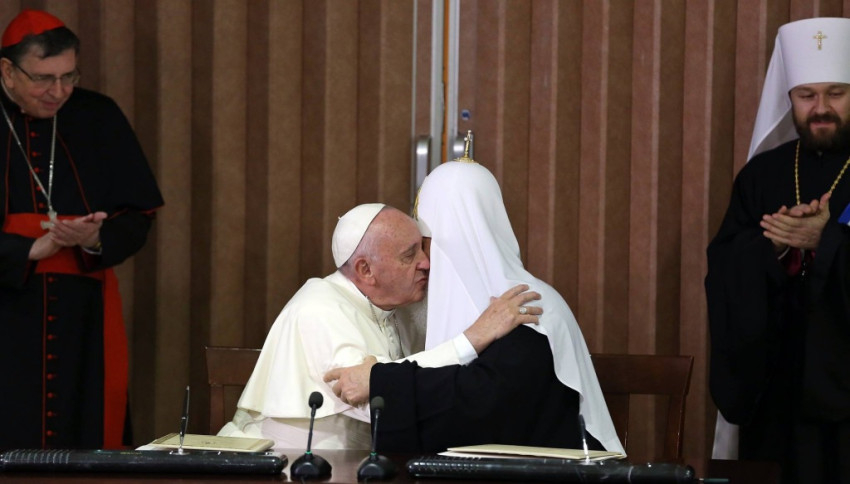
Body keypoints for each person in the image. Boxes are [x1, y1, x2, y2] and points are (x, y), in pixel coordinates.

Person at [324, 161, 623, 454]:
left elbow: (475, 405)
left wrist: (379, 380)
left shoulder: (527, 305)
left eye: (424, 245)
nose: (424, 262)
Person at [218, 203, 541, 449]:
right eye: (409, 255)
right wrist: (474, 337)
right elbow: (371, 399)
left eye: (422, 249)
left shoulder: (399, 307)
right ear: (365, 270)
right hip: (285, 465)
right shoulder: (318, 308)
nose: (426, 263)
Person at [0, 10, 163, 450]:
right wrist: (24, 250)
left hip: (83, 317)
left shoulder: (97, 115)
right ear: (8, 71)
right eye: (43, 79)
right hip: (7, 314)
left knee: (83, 429)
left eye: (68, 77)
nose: (59, 92)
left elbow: (139, 213)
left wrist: (94, 238)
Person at [706, 17, 850, 484]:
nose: (821, 109)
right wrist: (772, 246)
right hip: (777, 392)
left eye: (836, 93)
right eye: (806, 95)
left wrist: (827, 241)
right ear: (789, 98)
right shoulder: (761, 175)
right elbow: (723, 265)